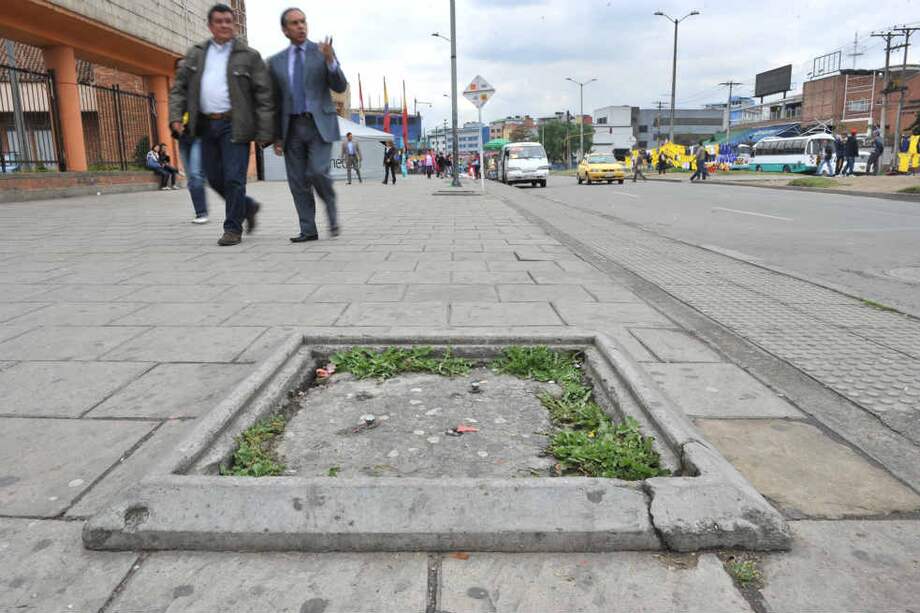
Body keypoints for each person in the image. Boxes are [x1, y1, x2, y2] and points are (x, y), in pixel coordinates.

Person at [169, 3, 273, 246]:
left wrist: (265, 130)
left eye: (229, 21)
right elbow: (179, 89)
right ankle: (247, 207)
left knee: (234, 177)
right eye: (219, 21)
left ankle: (232, 228)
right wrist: (175, 116)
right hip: (205, 124)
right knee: (214, 178)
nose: (225, 25)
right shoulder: (196, 54)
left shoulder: (249, 56)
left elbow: (264, 95)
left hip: (235, 124)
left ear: (234, 25)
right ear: (210, 25)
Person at [268, 7, 346, 243]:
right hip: (291, 128)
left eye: (303, 21)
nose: (301, 26)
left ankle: (330, 205)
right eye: (294, 23)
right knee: (298, 182)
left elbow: (340, 86)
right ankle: (308, 229)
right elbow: (275, 101)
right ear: (285, 30)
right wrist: (276, 136)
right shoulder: (276, 62)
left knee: (317, 172)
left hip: (319, 124)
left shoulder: (322, 52)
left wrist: (331, 60)